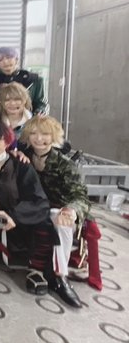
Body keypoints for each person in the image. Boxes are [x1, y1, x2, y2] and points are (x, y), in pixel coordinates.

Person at [0, 121, 81, 307]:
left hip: (17, 216)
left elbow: (39, 201)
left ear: (8, 141)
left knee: (45, 222)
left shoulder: (21, 164)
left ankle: (40, 272)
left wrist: (14, 215)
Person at [20, 116, 102, 291]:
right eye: (33, 133)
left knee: (62, 221)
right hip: (35, 208)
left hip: (60, 208)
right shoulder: (23, 157)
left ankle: (60, 276)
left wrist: (71, 210)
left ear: (54, 136)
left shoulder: (65, 164)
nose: (39, 138)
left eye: (45, 134)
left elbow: (80, 195)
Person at [0, 47, 48, 115]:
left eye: (8, 57)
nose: (5, 62)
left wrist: (38, 112)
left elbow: (41, 103)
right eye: (0, 60)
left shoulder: (34, 79)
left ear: (16, 60)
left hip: (28, 119)